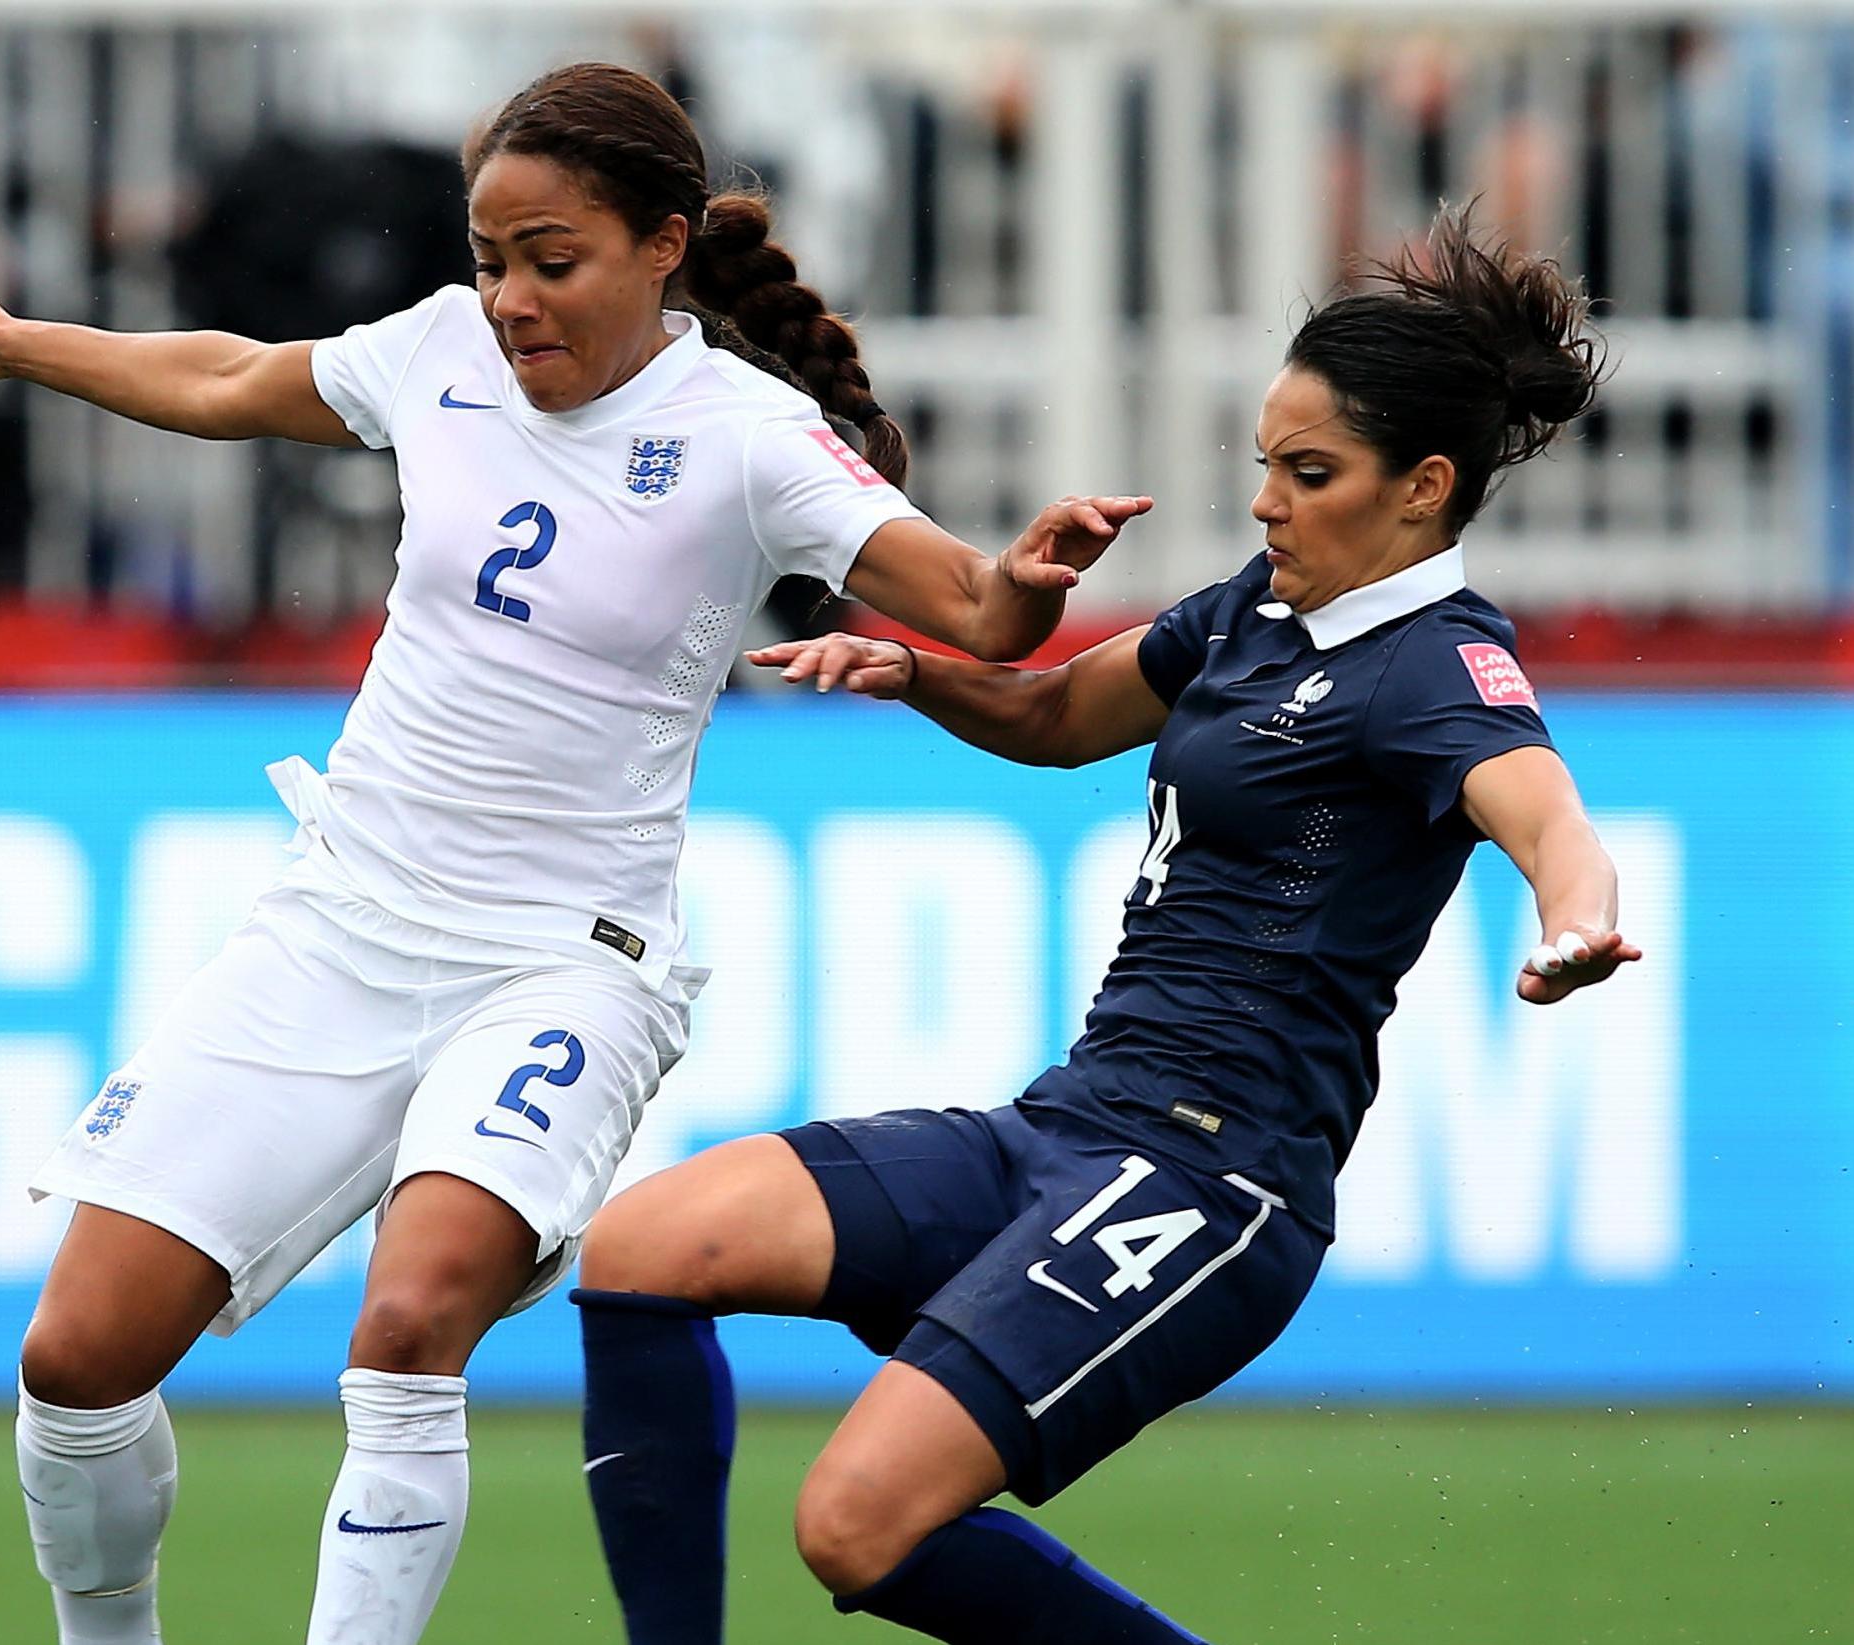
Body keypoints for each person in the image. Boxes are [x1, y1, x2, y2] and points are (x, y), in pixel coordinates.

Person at [0, 62, 1148, 1645]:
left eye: (554, 262)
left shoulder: (748, 435)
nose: (512, 298)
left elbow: (968, 607)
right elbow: (223, 378)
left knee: (408, 1323)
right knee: (75, 1363)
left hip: (563, 966)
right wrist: (9, 339)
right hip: (338, 928)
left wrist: (1029, 578)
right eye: (492, 260)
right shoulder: (437, 356)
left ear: (661, 246)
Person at [570, 205, 1642, 1645]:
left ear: (1421, 487)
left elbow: (1550, 818)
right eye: (1264, 463)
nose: (1266, 502)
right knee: (645, 1245)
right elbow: (1055, 712)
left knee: (856, 1524)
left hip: (1210, 1181)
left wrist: (1577, 923)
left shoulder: (1438, 667)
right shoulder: (1258, 612)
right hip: (1068, 1125)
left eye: (1308, 473)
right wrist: (913, 665)